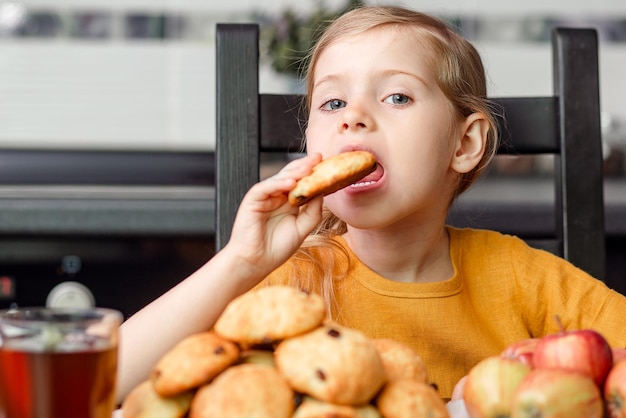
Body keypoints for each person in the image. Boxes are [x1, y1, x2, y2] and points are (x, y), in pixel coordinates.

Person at [117, 5, 626, 402]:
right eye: (332, 102)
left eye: (397, 97)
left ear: (464, 145)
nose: (352, 117)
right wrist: (241, 261)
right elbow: (105, 383)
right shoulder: (284, 285)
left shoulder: (527, 281)